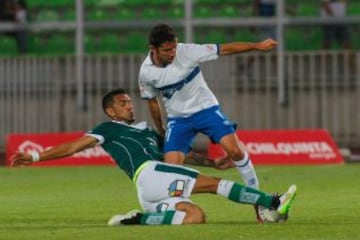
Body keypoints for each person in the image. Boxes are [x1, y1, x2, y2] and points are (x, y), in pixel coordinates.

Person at [10, 88, 297, 226]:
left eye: (129, 102)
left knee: (195, 217)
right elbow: (73, 147)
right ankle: (272, 202)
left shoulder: (146, 132)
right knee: (214, 185)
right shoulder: (107, 129)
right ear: (110, 111)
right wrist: (35, 157)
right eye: (122, 104)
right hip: (149, 174)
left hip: (151, 189)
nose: (129, 106)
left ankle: (138, 219)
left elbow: (179, 154)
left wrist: (212, 161)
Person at [138, 23, 277, 220]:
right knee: (171, 168)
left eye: (174, 47)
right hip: (178, 120)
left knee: (235, 150)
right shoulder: (146, 72)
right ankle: (174, 209)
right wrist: (161, 128)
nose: (172, 53)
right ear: (153, 49)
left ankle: (259, 203)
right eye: (167, 50)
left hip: (206, 110)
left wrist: (257, 46)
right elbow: (152, 102)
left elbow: (225, 48)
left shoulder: (188, 51)